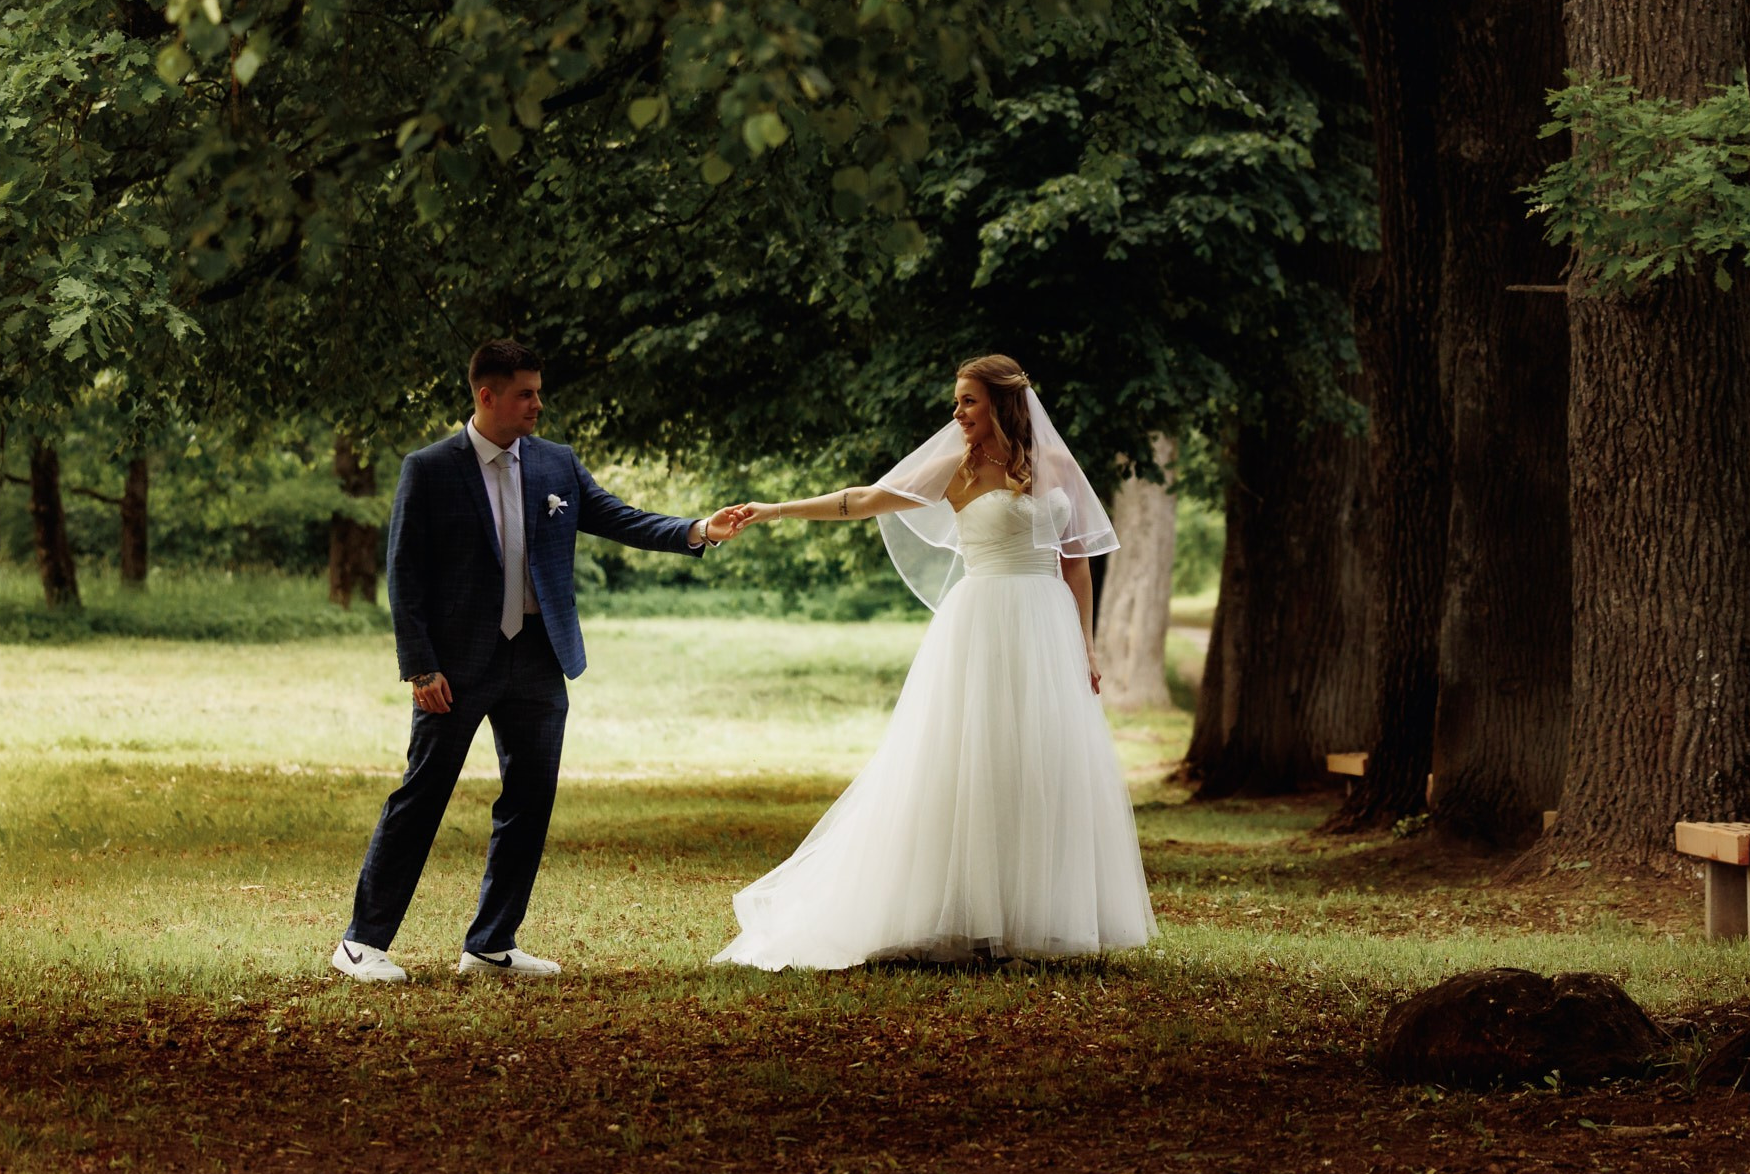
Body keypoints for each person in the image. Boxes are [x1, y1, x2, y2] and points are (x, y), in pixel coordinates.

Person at [710, 354, 1157, 970]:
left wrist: (1086, 643)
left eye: (968, 401)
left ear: (1001, 402)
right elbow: (863, 500)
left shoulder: (1054, 466)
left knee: (1042, 761)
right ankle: (967, 916)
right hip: (981, 625)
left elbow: (1075, 559)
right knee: (971, 759)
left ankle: (1036, 918)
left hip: (1048, 628)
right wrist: (774, 510)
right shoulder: (957, 467)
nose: (957, 413)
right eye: (958, 401)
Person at [332, 339, 746, 983]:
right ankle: (362, 943)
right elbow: (404, 575)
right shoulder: (431, 468)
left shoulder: (557, 464)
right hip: (456, 664)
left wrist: (696, 529)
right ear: (486, 395)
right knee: (423, 793)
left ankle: (491, 943)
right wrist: (421, 667)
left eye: (538, 390)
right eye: (524, 393)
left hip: (537, 657)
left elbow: (614, 515)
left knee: (530, 799)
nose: (537, 403)